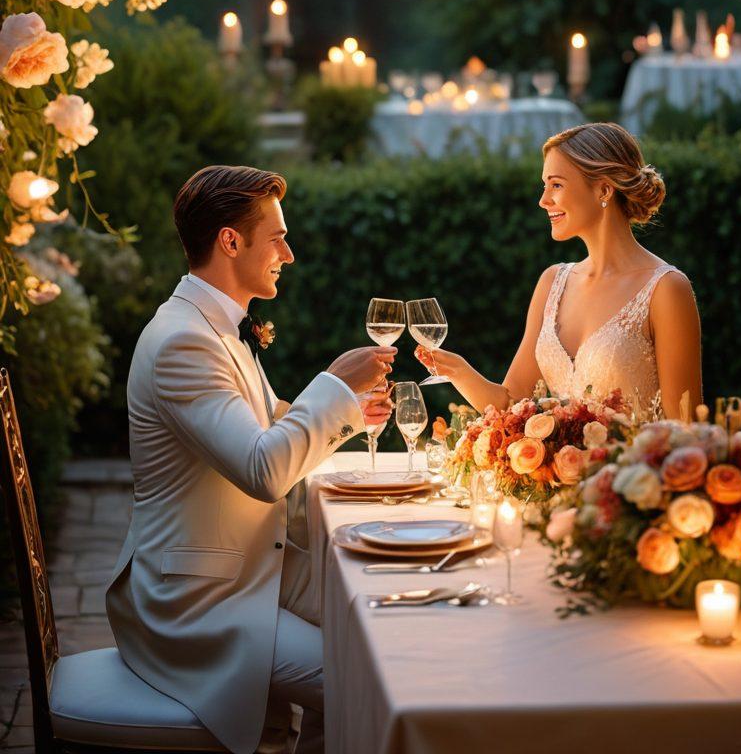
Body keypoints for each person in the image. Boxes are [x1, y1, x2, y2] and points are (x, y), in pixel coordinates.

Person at [106, 165, 394, 754]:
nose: (289, 254)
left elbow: (262, 423)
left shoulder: (213, 325)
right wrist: (335, 385)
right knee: (373, 678)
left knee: (385, 617)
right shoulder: (183, 342)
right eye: (278, 238)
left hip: (253, 566)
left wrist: (349, 412)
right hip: (201, 598)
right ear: (231, 242)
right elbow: (264, 471)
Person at [415, 123, 702, 420]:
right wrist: (458, 371)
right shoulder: (553, 283)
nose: (543, 200)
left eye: (556, 185)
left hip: (638, 453)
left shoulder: (666, 289)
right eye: (545, 185)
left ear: (604, 189)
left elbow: (686, 427)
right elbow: (511, 403)